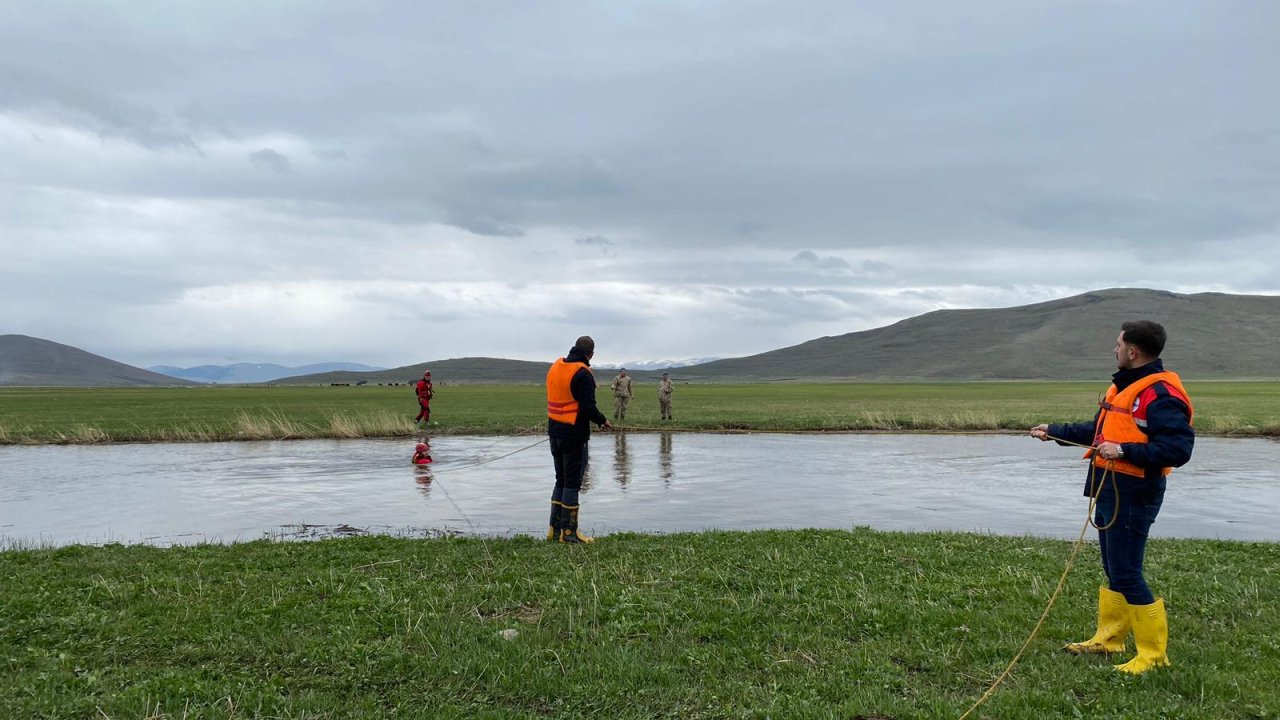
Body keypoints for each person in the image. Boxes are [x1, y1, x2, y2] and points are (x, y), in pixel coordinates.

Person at [1030, 320, 1194, 675]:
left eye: (1118, 344)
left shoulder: (1159, 394)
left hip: (1135, 493)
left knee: (1127, 572)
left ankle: (1152, 656)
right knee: (1114, 569)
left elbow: (1178, 449)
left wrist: (1123, 450)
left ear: (1132, 351)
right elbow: (1099, 431)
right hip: (1110, 487)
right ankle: (1110, 639)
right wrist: (1053, 431)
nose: (1114, 349)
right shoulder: (1124, 388)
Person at [546, 335, 611, 543]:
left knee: (561, 479)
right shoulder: (583, 373)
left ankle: (554, 530)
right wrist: (602, 420)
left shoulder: (555, 367)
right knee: (573, 483)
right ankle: (570, 533)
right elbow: (588, 407)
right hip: (574, 436)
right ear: (590, 354)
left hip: (554, 433)